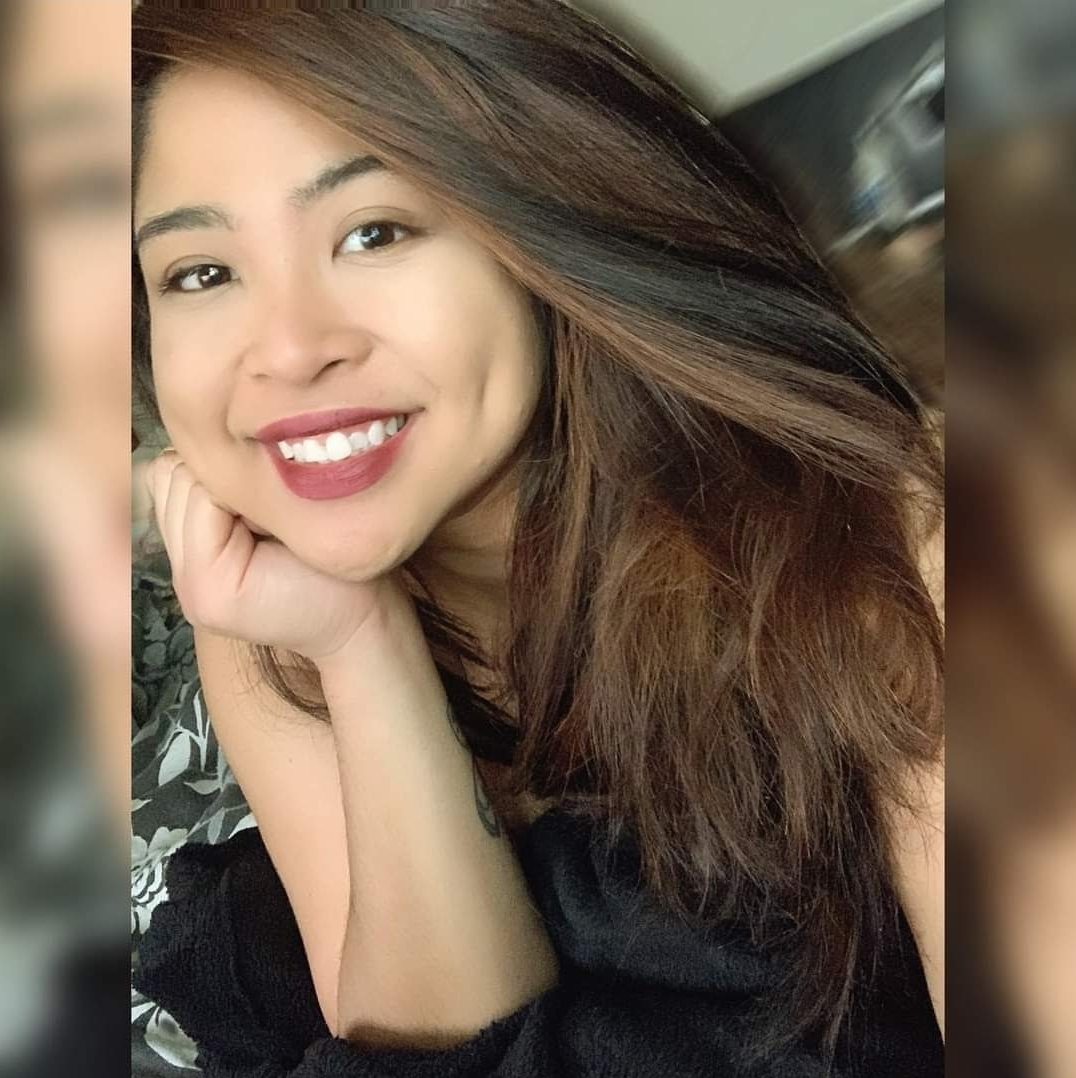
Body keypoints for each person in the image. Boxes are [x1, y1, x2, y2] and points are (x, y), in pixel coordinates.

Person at [131, 4, 944, 1076]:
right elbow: (439, 1055)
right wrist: (362, 646)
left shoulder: (901, 539)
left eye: (375, 232)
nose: (287, 351)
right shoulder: (268, 610)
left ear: (547, 234)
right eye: (199, 272)